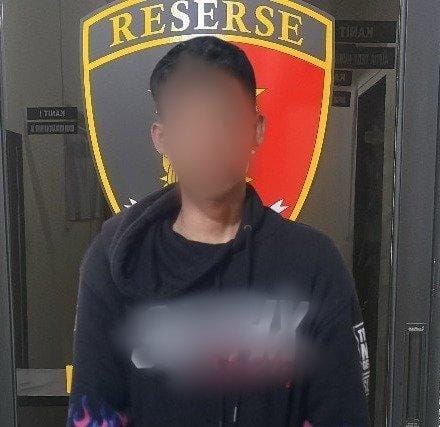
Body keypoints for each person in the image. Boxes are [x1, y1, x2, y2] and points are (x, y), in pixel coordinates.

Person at [66, 35, 370, 427]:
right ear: (162, 138)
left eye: (223, 119)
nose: (207, 141)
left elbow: (340, 410)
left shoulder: (312, 263)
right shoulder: (114, 260)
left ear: (256, 129)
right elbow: (95, 410)